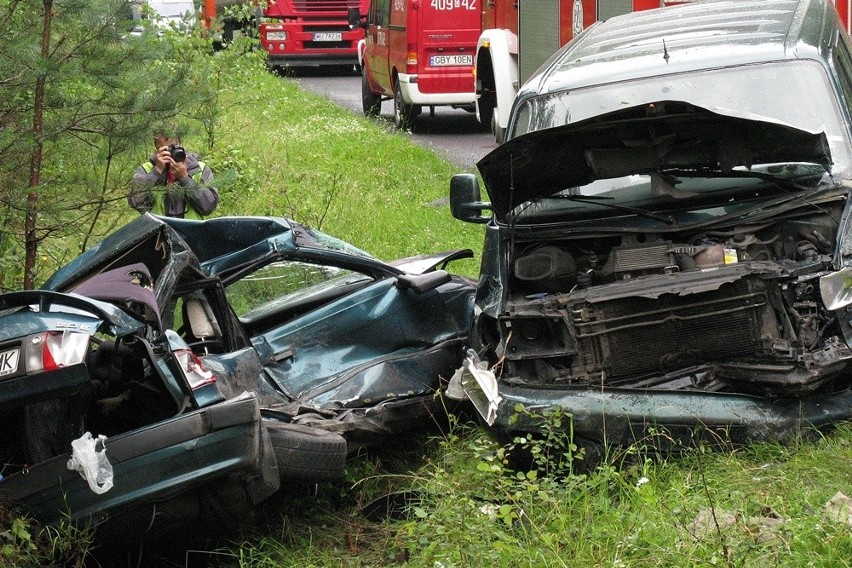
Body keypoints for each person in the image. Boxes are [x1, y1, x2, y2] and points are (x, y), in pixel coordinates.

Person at [129, 128, 219, 218]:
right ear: (157, 147)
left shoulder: (199, 169)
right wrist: (157, 172)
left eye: (175, 148)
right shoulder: (146, 170)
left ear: (180, 142)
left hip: (190, 230)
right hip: (159, 230)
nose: (172, 154)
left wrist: (185, 178)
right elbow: (135, 203)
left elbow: (208, 207)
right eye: (167, 150)